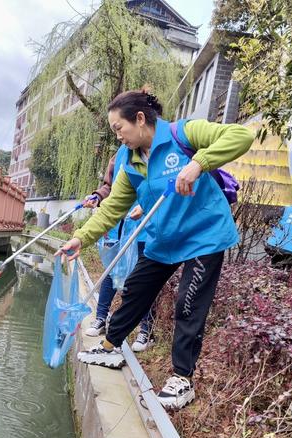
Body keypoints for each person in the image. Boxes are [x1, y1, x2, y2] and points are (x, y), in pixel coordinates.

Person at [56, 88, 254, 409]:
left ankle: (182, 381)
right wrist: (80, 238)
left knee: (188, 304)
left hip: (204, 235)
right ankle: (110, 346)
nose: (118, 137)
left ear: (139, 119)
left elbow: (241, 135)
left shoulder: (182, 133)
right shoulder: (130, 161)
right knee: (136, 289)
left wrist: (198, 163)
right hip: (165, 238)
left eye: (119, 129)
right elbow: (111, 209)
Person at [83, 145, 156, 352]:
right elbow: (110, 186)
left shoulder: (156, 151)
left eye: (121, 127)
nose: (119, 135)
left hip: (144, 228)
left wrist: (144, 207)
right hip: (118, 228)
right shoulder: (121, 154)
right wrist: (97, 196)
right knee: (110, 272)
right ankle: (100, 319)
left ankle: (146, 329)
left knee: (143, 279)